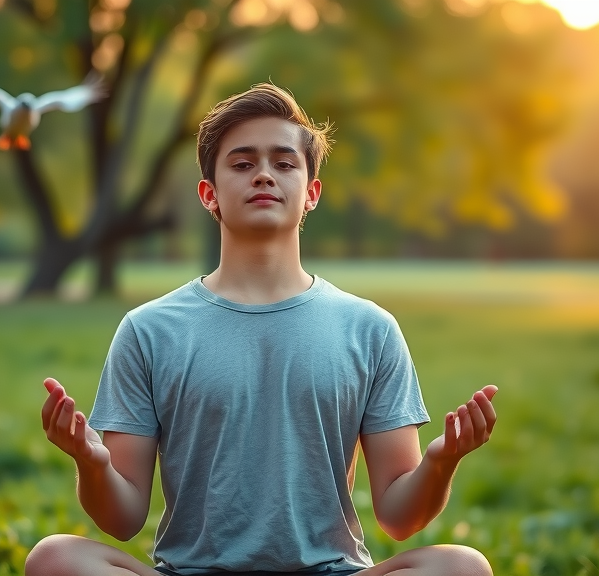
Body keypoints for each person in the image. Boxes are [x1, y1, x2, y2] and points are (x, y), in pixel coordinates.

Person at [26, 83, 498, 576]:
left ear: (311, 193)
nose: (265, 176)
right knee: (55, 559)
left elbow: (400, 519)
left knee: (463, 566)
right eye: (242, 163)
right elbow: (122, 519)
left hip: (330, 571)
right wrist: (91, 462)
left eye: (285, 163)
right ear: (209, 194)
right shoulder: (149, 330)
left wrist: (441, 462)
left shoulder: (370, 329)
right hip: (191, 572)